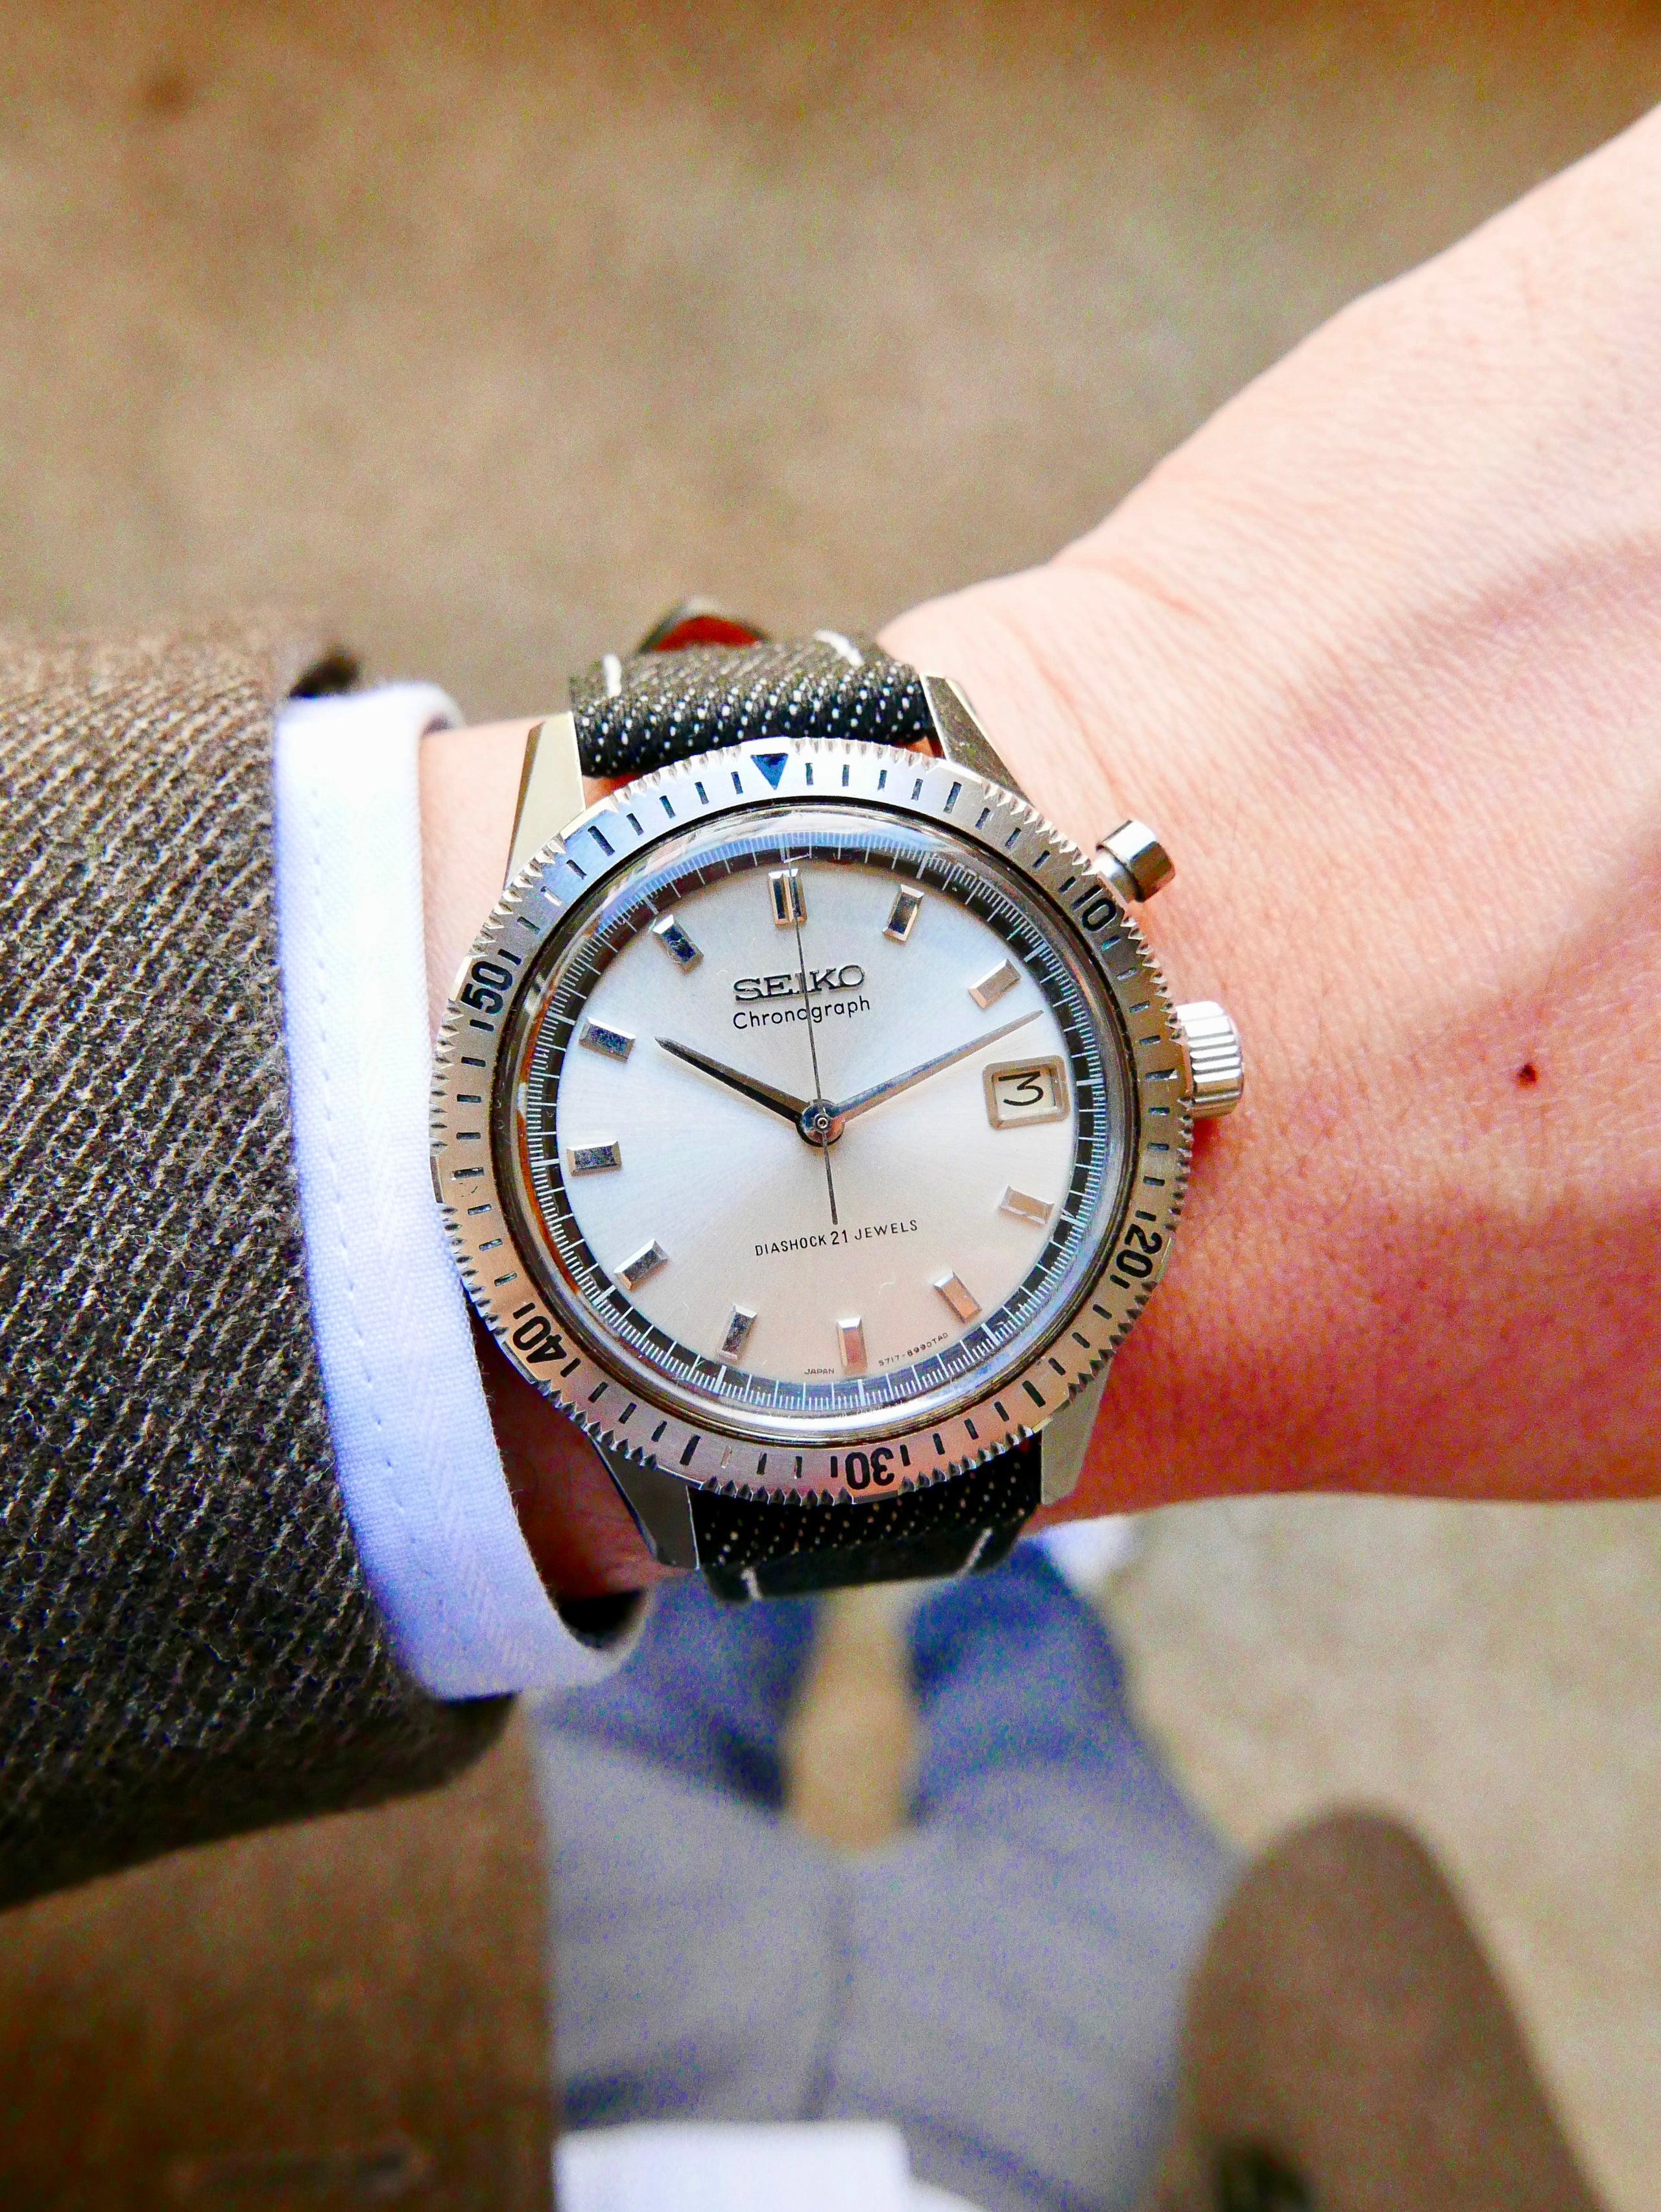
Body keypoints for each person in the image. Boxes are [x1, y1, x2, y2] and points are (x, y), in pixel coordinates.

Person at [2, 88, 1658, 2207]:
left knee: (677, 1664)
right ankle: (981, 1574)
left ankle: (870, 1533)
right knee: (1052, 1737)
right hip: (1058, 2092)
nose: (811, 1112)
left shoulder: (1084, 1064)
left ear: (1177, 1060)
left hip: (527, 1972)